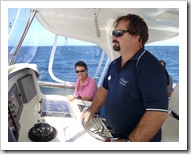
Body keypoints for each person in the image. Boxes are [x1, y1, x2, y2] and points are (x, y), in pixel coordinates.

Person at [81, 14, 169, 142]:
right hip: (115, 134)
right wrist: (92, 109)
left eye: (118, 33)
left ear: (136, 37)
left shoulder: (149, 67)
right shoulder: (115, 64)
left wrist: (128, 143)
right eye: (113, 33)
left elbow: (158, 113)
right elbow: (104, 89)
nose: (113, 37)